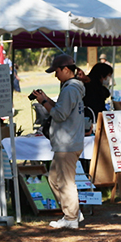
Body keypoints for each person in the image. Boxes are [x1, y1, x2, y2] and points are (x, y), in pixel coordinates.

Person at [30, 53, 86, 230]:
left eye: (57, 71)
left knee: (66, 181)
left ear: (66, 69)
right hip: (67, 142)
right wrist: (47, 99)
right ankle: (73, 211)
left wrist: (44, 102)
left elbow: (60, 115)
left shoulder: (70, 89)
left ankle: (71, 217)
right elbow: (63, 109)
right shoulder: (71, 88)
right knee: (54, 178)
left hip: (66, 143)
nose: (55, 75)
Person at [83, 62, 113, 128]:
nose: (109, 78)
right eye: (108, 75)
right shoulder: (95, 88)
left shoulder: (90, 84)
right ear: (102, 75)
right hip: (93, 119)